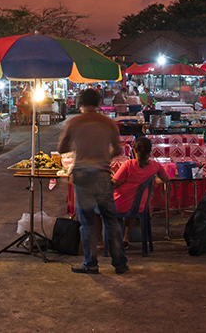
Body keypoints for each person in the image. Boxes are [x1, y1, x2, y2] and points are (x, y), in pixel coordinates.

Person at [58, 88, 127, 274]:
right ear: (98, 103)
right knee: (110, 220)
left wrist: (75, 144)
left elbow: (61, 148)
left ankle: (91, 263)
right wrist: (105, 155)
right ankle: (119, 262)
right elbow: (118, 149)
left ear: (80, 104)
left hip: (82, 174)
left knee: (87, 221)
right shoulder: (108, 122)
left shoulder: (73, 122)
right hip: (103, 174)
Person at [111, 137, 170, 247]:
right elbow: (166, 179)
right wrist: (152, 180)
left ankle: (102, 242)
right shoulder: (155, 166)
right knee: (132, 209)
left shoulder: (128, 165)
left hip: (119, 205)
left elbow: (114, 184)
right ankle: (126, 238)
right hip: (139, 207)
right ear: (150, 152)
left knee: (97, 208)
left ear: (134, 151)